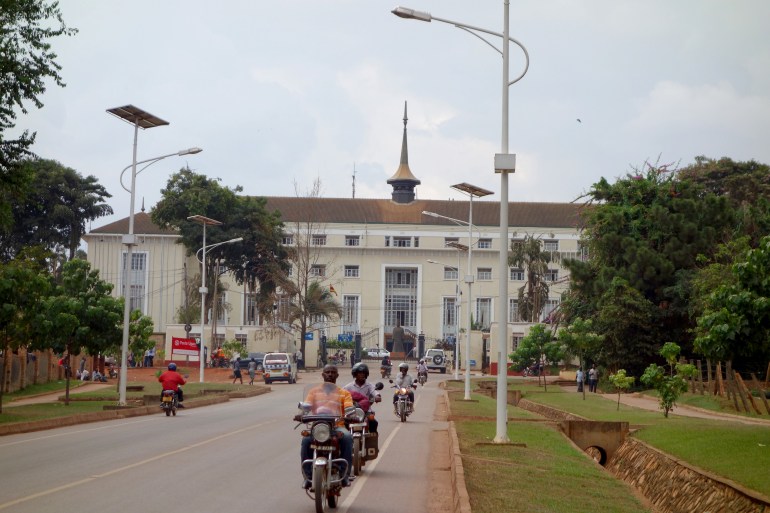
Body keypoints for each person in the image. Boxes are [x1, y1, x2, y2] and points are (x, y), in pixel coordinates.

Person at [299, 364, 355, 489]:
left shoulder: (344, 393)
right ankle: (308, 477)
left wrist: (350, 414)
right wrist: (301, 414)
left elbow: (348, 407)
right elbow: (307, 406)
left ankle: (344, 474)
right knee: (306, 441)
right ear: (323, 374)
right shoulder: (313, 391)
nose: (330, 374)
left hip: (337, 426)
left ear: (337, 375)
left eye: (332, 372)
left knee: (347, 438)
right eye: (327, 372)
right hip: (318, 427)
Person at [343, 362, 381, 434]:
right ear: (355, 374)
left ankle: (372, 440)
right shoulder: (348, 386)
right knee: (343, 423)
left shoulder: (369, 386)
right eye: (360, 372)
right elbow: (341, 394)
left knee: (373, 422)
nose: (362, 374)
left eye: (364, 373)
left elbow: (375, 392)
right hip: (352, 411)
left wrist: (377, 397)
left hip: (366, 411)